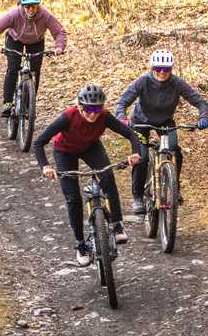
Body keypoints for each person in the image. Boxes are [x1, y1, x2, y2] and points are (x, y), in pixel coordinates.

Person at [33, 83, 143, 266]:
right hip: (65, 151)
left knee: (107, 177)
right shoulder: (68, 117)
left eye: (97, 108)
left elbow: (130, 134)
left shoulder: (105, 116)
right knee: (73, 199)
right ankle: (80, 244)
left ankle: (116, 224)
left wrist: (135, 153)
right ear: (80, 106)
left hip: (90, 146)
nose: (93, 114)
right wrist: (45, 167)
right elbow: (38, 142)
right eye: (89, 109)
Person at [114, 48, 208, 216]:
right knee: (141, 158)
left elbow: (200, 102)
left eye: (166, 69)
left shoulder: (177, 83)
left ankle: (175, 188)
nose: (161, 72)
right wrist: (122, 117)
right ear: (152, 68)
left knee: (175, 150)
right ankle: (137, 197)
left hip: (165, 122)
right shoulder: (143, 81)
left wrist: (204, 118)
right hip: (140, 122)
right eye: (157, 68)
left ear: (171, 69)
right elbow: (122, 102)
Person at [0, 0, 67, 117]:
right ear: (22, 6)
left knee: (35, 72)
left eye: (34, 6)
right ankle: (8, 103)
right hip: (14, 40)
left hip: (36, 42)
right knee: (13, 68)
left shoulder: (45, 15)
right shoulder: (14, 14)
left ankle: (29, 105)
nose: (30, 9)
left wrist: (59, 47)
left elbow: (59, 32)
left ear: (38, 5)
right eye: (27, 6)